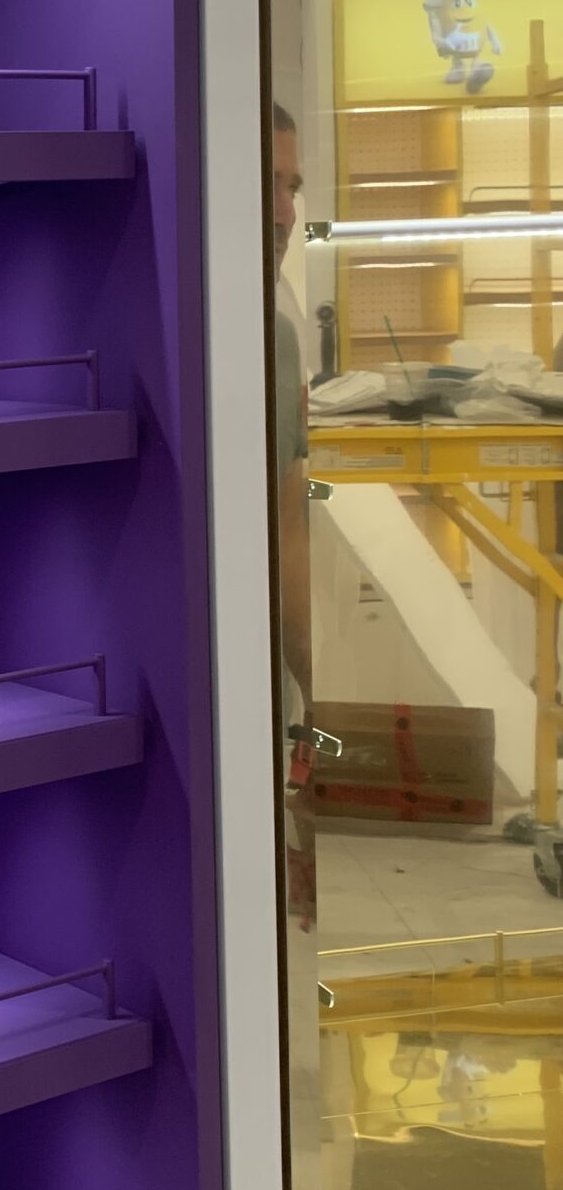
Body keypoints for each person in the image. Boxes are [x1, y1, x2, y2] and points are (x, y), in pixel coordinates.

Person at [272, 100, 315, 928]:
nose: (283, 213)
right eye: (265, 184)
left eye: (292, 187)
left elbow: (289, 531)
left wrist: (321, 722)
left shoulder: (275, 338)